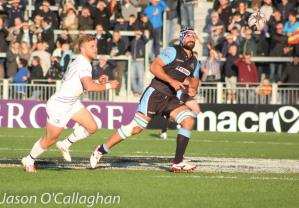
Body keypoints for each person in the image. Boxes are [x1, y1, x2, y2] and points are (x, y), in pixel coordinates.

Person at [90, 27, 200, 172]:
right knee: (135, 129)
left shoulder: (195, 62)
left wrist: (192, 87)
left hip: (171, 98)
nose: (191, 38)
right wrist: (172, 81)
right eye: (188, 36)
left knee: (189, 119)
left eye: (193, 36)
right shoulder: (172, 51)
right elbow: (154, 68)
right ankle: (101, 150)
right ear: (181, 38)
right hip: (155, 93)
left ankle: (177, 162)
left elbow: (195, 80)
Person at [21, 35, 119, 172]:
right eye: (92, 46)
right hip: (60, 106)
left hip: (72, 103)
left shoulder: (79, 61)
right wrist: (108, 85)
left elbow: (79, 84)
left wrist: (97, 81)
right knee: (49, 140)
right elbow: (89, 87)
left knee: (92, 127)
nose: (96, 49)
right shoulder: (83, 64)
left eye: (96, 46)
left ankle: (65, 144)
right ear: (82, 48)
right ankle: (29, 159)